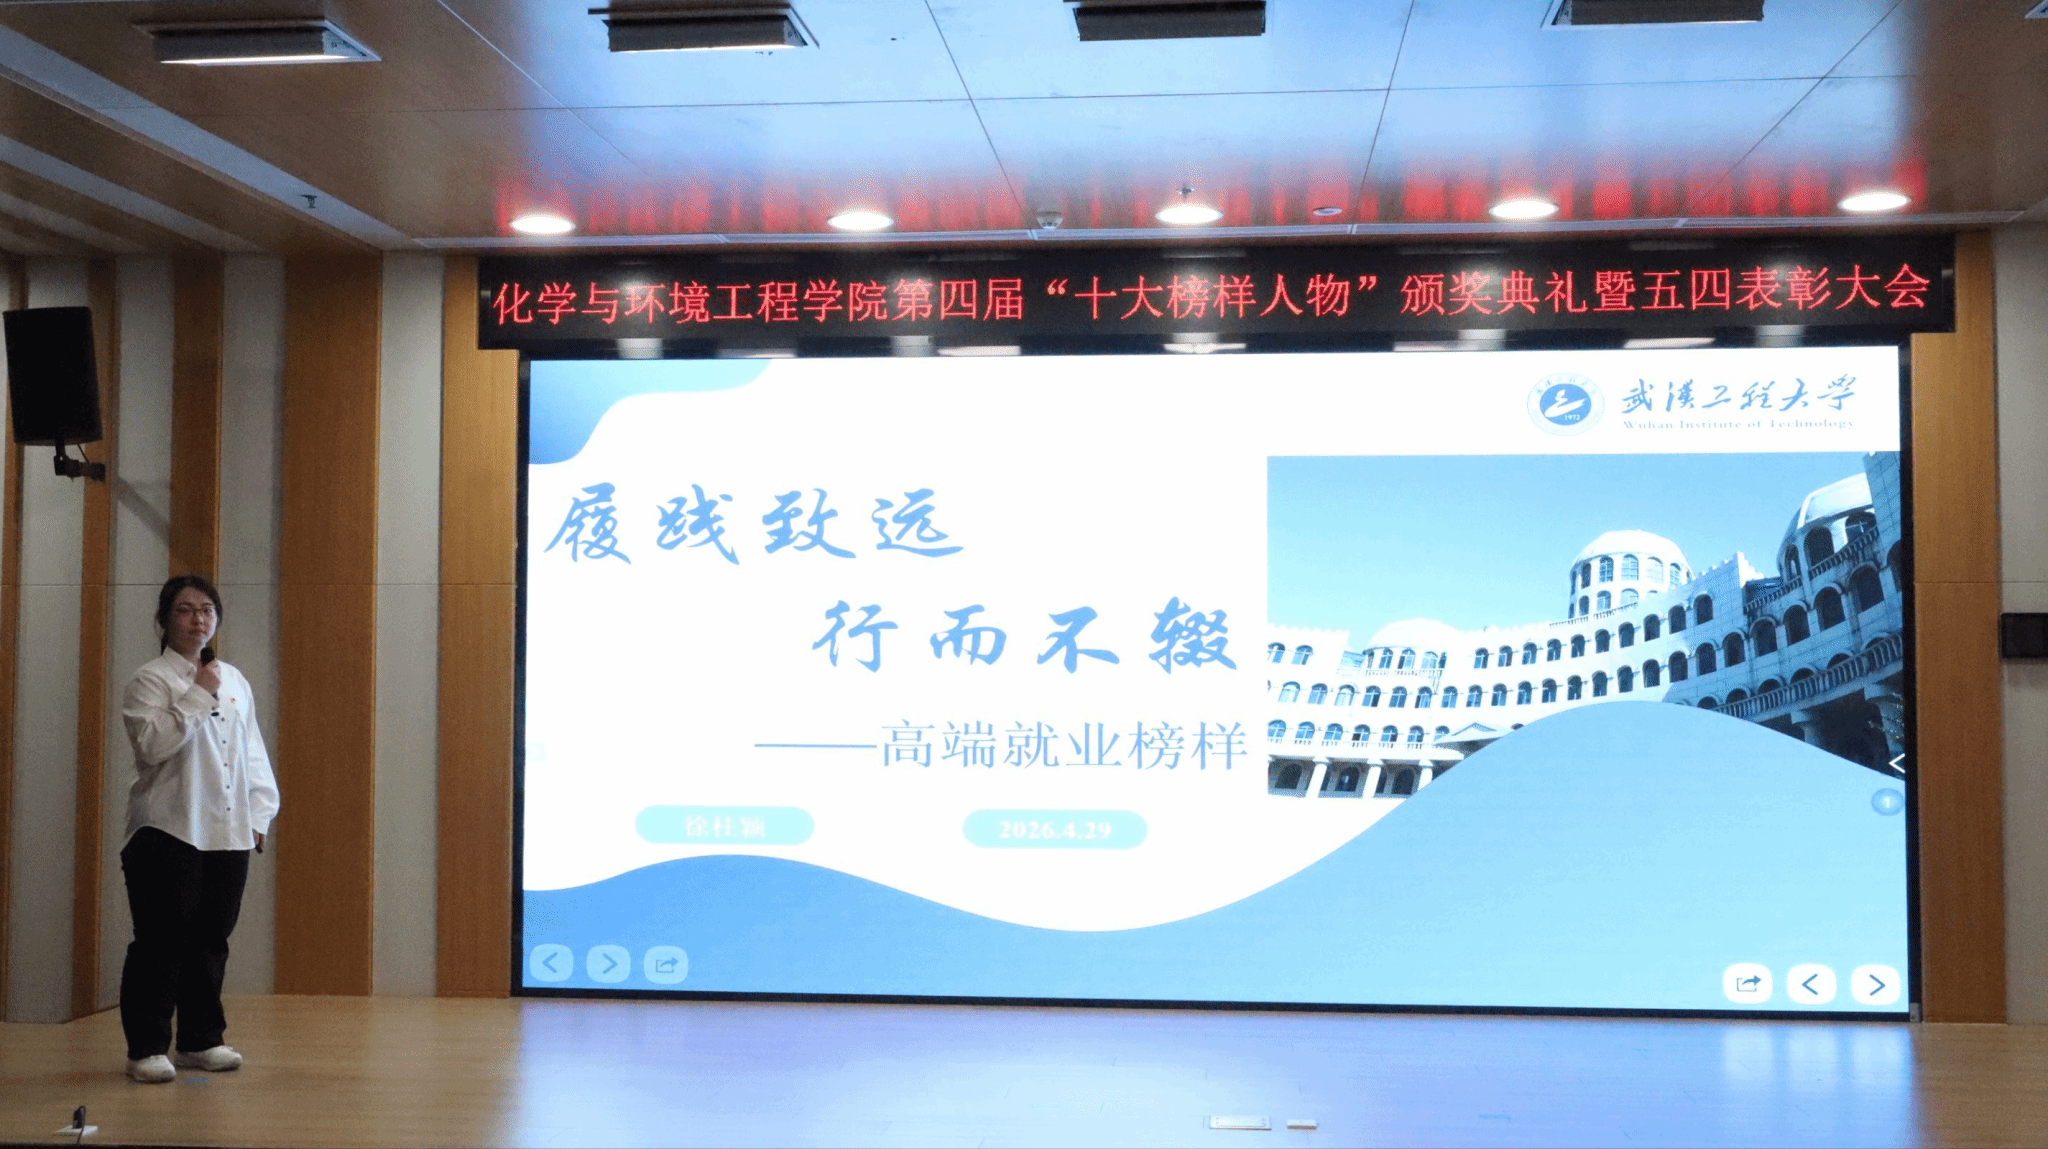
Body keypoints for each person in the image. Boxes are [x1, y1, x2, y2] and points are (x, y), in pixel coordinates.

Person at [117, 575, 279, 1084]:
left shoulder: (234, 679)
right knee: (160, 941)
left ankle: (200, 1040)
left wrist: (259, 813)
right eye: (185, 610)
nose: (198, 619)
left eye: (207, 609)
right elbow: (151, 747)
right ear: (165, 620)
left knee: (211, 939)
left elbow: (251, 750)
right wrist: (197, 694)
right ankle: (147, 1048)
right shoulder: (151, 679)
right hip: (168, 828)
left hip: (227, 831)